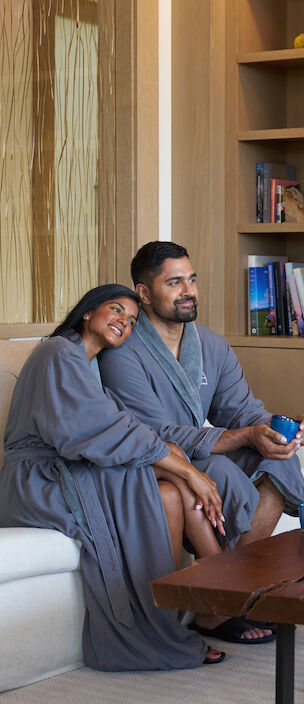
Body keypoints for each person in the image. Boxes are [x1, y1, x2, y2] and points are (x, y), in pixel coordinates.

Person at [0, 284, 228, 670]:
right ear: (88, 312)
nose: (124, 321)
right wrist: (192, 473)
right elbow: (95, 431)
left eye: (132, 319)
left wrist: (184, 467)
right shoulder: (58, 352)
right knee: (170, 491)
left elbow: (131, 429)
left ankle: (216, 592)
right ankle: (191, 609)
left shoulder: (91, 368)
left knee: (173, 483)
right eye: (116, 310)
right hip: (37, 481)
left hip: (70, 467)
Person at [98, 242, 304, 639]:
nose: (189, 291)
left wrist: (285, 427)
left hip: (199, 447)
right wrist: (240, 436)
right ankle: (228, 601)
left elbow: (242, 411)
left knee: (278, 459)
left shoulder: (212, 345)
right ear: (144, 294)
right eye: (175, 282)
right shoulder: (121, 353)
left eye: (193, 279)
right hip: (157, 459)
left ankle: (230, 594)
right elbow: (154, 434)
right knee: (218, 466)